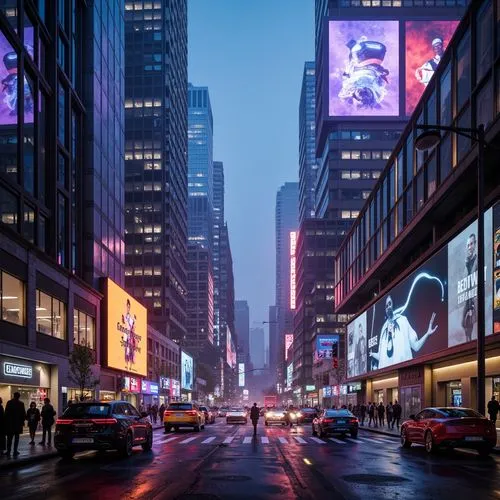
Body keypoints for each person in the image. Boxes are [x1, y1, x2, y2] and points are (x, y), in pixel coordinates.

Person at [369, 295, 438, 370]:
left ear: (393, 305)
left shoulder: (403, 320)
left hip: (403, 372)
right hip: (386, 376)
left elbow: (416, 346)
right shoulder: (383, 328)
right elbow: (381, 357)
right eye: (386, 306)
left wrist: (427, 334)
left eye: (389, 303)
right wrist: (372, 354)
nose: (388, 307)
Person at [462, 233, 478, 343]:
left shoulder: (477, 260)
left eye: (471, 244)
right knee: (464, 322)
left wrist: (473, 305)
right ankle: (469, 341)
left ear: (475, 244)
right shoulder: (467, 262)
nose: (469, 247)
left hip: (475, 296)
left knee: (473, 320)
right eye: (468, 245)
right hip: (467, 296)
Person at [5, 392, 26, 457]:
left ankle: (8, 451)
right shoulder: (21, 404)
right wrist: (22, 422)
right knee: (16, 438)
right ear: (19, 396)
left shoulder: (9, 402)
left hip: (10, 424)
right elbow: (23, 414)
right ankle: (15, 451)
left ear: (13, 396)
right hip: (18, 424)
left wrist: (6, 423)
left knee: (9, 439)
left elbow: (6, 413)